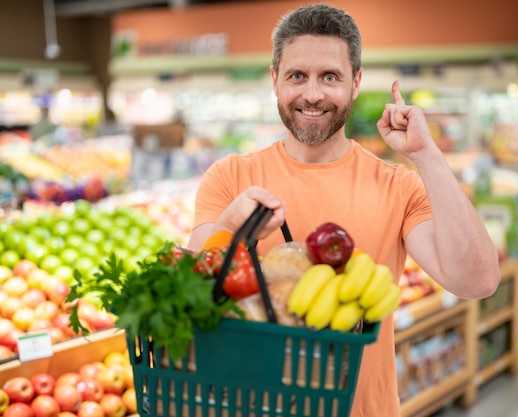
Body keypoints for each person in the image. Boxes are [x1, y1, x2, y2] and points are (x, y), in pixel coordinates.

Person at [187, 4, 500, 416]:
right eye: (297, 75)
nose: (312, 94)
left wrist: (426, 155)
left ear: (355, 83)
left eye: (330, 77)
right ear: (274, 81)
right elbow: (186, 305)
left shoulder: (398, 186)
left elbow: (477, 280)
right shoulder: (229, 177)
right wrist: (230, 224)